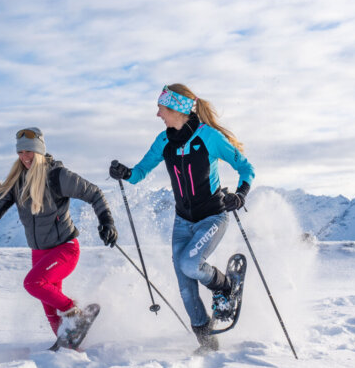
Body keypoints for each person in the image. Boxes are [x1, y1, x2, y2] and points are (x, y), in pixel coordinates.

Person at [108, 83, 254, 351]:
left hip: (212, 217)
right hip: (183, 222)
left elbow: (246, 168)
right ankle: (207, 341)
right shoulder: (163, 141)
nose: (158, 115)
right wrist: (124, 173)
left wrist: (240, 195)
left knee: (190, 264)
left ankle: (224, 287)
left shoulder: (208, 137)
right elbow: (139, 173)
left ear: (177, 109)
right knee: (185, 287)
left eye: (161, 108)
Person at [0, 127, 117, 346]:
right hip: (39, 253)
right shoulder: (18, 180)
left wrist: (107, 222)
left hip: (64, 249)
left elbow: (94, 193)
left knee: (33, 283)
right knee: (49, 309)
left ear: (38, 151)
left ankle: (76, 316)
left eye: (28, 152)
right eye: (20, 153)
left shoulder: (57, 175)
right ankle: (68, 342)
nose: (24, 157)